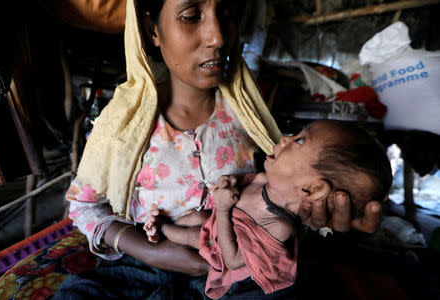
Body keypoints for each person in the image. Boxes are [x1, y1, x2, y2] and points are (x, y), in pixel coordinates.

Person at [54, 0, 383, 298]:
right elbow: (85, 207)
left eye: (226, 14)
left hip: (237, 270)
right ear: (153, 29)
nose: (218, 37)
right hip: (147, 262)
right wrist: (149, 250)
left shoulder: (248, 116)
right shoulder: (123, 123)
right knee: (79, 292)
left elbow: (287, 196)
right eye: (191, 16)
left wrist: (312, 217)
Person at [143, 120, 393, 299]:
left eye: (300, 140)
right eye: (296, 134)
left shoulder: (279, 227)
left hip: (239, 280)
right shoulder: (262, 180)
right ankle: (159, 225)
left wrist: (222, 208)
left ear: (310, 190)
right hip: (220, 230)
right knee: (196, 219)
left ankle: (161, 229)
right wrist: (227, 184)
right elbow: (235, 192)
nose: (285, 139)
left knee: (189, 243)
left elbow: (233, 260)